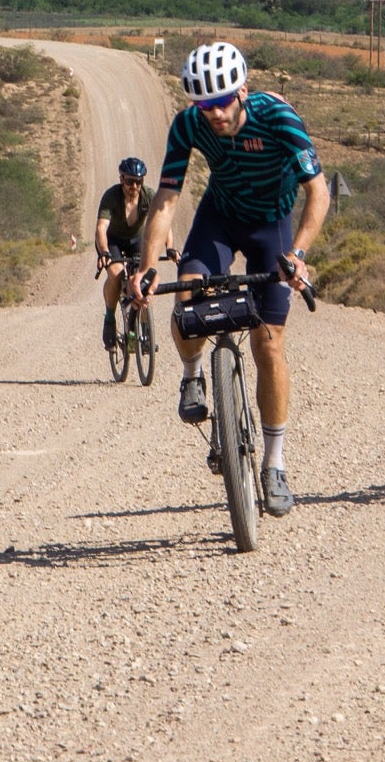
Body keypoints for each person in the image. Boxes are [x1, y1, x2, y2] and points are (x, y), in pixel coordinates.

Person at [131, 41, 328, 517]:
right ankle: (192, 375)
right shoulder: (189, 124)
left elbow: (317, 194)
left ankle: (275, 463)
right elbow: (166, 201)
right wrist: (147, 265)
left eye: (221, 101)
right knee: (189, 302)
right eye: (204, 104)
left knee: (269, 344)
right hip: (219, 216)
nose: (214, 114)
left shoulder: (279, 118)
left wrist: (297, 256)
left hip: (272, 226)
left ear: (242, 90)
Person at [96, 155, 152, 350]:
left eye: (138, 181)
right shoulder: (111, 197)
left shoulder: (148, 195)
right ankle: (110, 320)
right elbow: (101, 228)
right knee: (117, 275)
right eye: (129, 181)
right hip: (112, 241)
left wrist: (170, 247)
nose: (134, 186)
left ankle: (145, 329)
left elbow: (164, 223)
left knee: (145, 280)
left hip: (136, 240)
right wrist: (104, 252)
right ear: (121, 179)